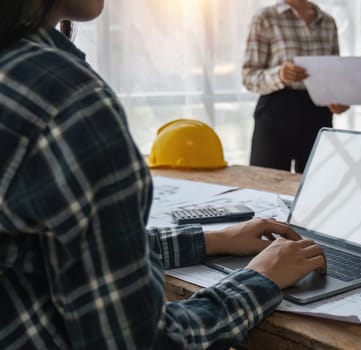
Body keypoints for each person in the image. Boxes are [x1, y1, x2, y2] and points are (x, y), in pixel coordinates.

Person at [0, 0, 326, 348]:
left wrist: (213, 240)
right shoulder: (66, 99)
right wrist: (261, 279)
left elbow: (64, 252)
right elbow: (144, 341)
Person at [242, 0, 348, 173]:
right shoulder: (265, 18)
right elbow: (249, 76)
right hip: (276, 111)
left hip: (318, 114)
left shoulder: (328, 22)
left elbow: (333, 74)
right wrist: (280, 75)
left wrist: (339, 99)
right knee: (266, 187)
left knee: (316, 186)